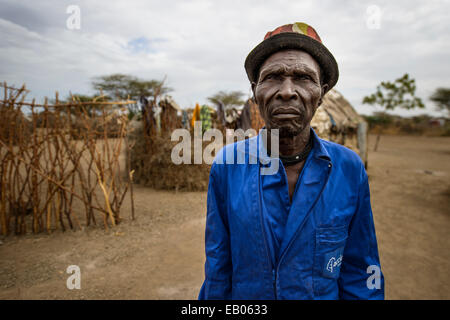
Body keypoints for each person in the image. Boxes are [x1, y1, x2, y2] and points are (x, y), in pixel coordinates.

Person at [198, 22, 384, 300]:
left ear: (321, 94)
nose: (287, 91)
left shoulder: (349, 168)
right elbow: (218, 269)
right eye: (273, 77)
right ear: (255, 91)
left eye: (303, 78)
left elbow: (361, 269)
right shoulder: (227, 166)